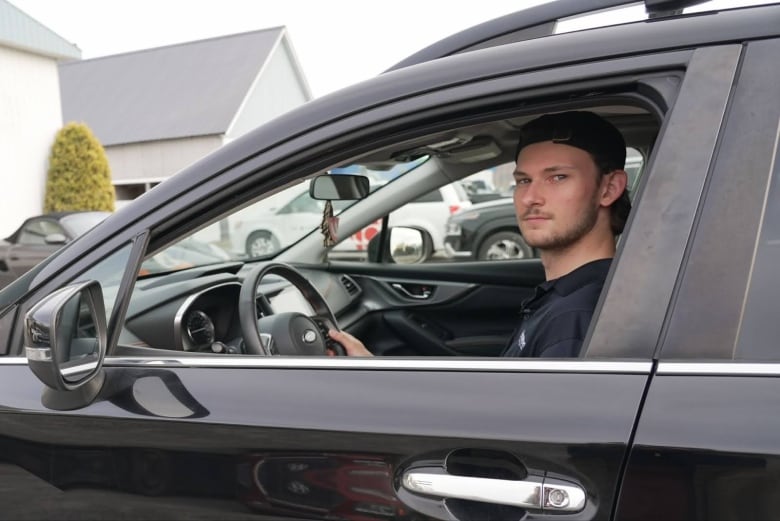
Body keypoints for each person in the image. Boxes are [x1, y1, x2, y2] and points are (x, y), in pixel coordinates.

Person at [329, 110, 630, 358]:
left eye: (558, 177)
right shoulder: (567, 295)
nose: (530, 198)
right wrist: (374, 369)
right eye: (523, 180)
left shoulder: (577, 318)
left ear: (609, 188)